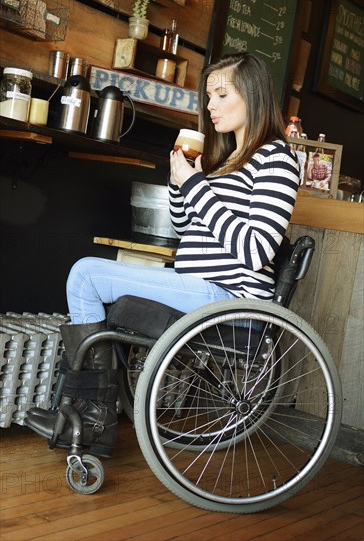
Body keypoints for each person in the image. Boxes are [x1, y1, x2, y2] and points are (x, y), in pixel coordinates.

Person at [25, 53, 300, 456]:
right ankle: (92, 416)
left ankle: (92, 417)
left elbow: (255, 249)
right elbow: (187, 228)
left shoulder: (276, 158)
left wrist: (195, 187)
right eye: (208, 97)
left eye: (222, 94)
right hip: (200, 289)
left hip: (228, 296)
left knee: (85, 274)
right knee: (87, 277)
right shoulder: (225, 162)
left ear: (254, 96)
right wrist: (179, 182)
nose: (210, 106)